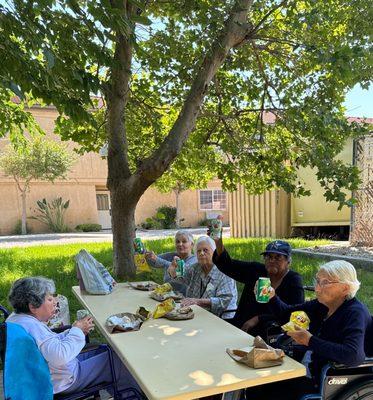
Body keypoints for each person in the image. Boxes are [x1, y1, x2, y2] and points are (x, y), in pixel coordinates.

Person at [247, 260, 372, 400]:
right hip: (310, 367)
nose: (317, 288)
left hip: (328, 379)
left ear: (345, 288)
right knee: (257, 384)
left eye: (325, 283)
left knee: (265, 389)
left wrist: (310, 341)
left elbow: (353, 355)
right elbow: (286, 315)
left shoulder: (355, 313)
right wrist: (272, 297)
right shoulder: (322, 305)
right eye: (317, 281)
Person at [7, 277, 141, 397]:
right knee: (118, 359)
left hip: (48, 375)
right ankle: (132, 395)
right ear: (32, 307)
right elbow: (60, 356)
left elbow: (48, 345)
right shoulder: (33, 327)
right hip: (65, 380)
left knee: (106, 350)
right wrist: (77, 330)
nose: (55, 301)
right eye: (49, 299)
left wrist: (73, 331)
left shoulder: (16, 320)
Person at [212, 237, 304, 338]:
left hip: (272, 334)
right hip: (241, 327)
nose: (272, 260)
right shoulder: (256, 270)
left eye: (278, 257)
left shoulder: (293, 280)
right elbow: (227, 264)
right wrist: (218, 241)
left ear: (288, 261)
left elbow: (296, 314)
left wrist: (259, 318)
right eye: (268, 257)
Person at [167, 236, 237, 318]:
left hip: (220, 318)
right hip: (197, 314)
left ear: (214, 252)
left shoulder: (224, 271)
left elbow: (225, 301)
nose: (201, 253)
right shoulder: (195, 268)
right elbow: (180, 278)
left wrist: (198, 302)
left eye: (205, 250)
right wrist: (172, 271)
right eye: (198, 251)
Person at [145, 230, 197, 294]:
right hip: (165, 294)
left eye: (184, 241)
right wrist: (145, 254)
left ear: (192, 245)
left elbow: (182, 269)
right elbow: (153, 263)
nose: (180, 244)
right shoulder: (171, 255)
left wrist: (159, 260)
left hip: (183, 297)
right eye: (177, 242)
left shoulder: (194, 259)